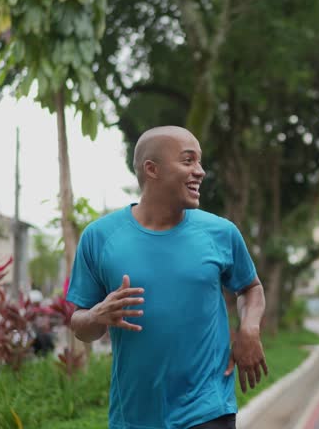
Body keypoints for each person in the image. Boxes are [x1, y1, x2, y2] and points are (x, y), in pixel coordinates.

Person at [67, 126, 267, 429]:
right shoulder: (100, 237)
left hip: (208, 409)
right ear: (152, 169)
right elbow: (80, 325)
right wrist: (97, 315)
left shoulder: (220, 232)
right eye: (188, 161)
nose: (200, 171)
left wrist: (249, 331)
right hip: (133, 416)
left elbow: (251, 288)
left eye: (199, 162)